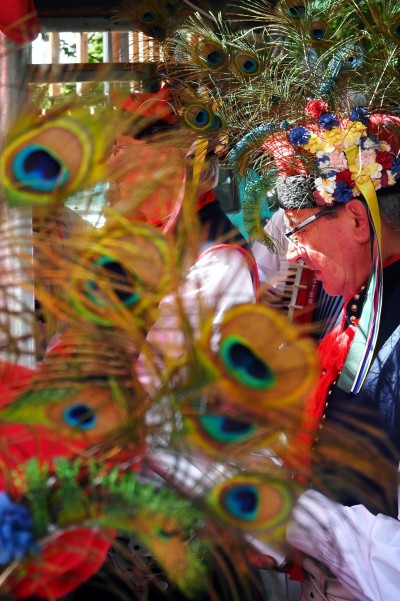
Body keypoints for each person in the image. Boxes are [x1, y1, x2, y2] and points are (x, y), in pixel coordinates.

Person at [268, 108, 400, 600]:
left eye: (298, 231)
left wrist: (294, 516)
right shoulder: (362, 291)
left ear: (357, 220)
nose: (292, 253)